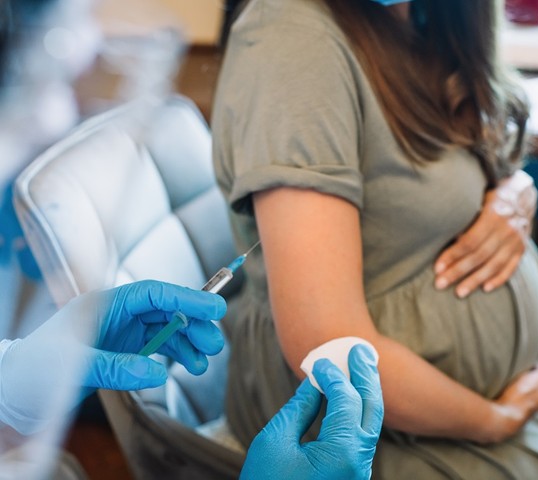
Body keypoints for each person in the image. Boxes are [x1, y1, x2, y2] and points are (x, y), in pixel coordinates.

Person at [211, 0, 538, 478]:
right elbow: (328, 343)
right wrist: (491, 422)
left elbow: (437, 176)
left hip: (523, 378)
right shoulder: (292, 39)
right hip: (367, 420)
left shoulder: (424, 17)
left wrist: (512, 191)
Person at [0, 0, 384, 478]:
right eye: (35, 73)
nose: (53, 117)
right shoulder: (289, 40)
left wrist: (7, 397)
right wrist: (499, 416)